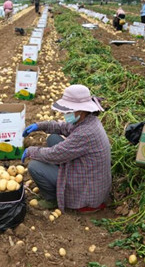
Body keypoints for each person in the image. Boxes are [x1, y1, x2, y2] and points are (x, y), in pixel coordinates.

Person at [22, 84, 111, 213]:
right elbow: (64, 128)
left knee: (35, 166)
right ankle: (55, 179)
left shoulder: (85, 133)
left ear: (81, 110)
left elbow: (54, 154)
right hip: (88, 173)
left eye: (69, 110)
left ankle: (52, 199)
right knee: (53, 137)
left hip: (86, 193)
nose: (65, 113)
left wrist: (31, 151)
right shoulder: (87, 119)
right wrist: (39, 125)